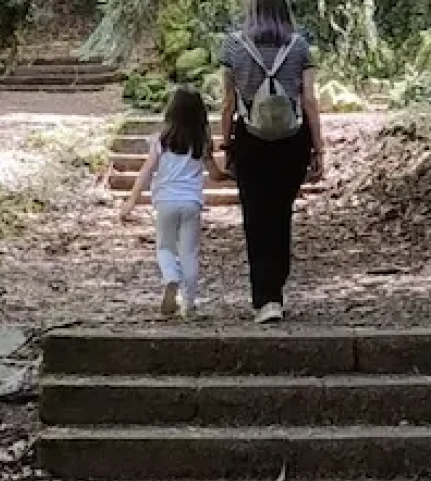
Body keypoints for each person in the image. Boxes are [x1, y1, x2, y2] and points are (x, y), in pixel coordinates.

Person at [219, 0, 325, 324]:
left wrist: (226, 145)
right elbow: (308, 100)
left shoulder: (233, 47)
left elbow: (227, 103)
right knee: (281, 214)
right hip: (292, 142)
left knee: (256, 218)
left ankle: (266, 298)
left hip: (250, 140)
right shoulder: (299, 46)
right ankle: (276, 288)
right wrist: (319, 148)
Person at [119, 86, 227, 318]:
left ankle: (170, 278)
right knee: (189, 252)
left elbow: (146, 172)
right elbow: (216, 175)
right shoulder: (202, 142)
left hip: (165, 202)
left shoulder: (161, 140)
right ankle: (189, 303)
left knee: (165, 247)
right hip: (191, 203)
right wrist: (233, 174)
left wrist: (131, 200)